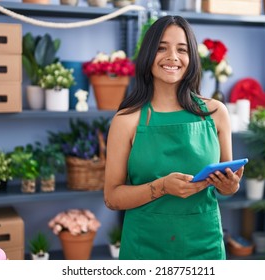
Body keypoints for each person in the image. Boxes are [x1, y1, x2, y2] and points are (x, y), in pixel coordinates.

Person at [104, 15, 243, 260]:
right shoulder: (126, 120)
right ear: (148, 55)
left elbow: (227, 185)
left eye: (182, 49)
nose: (172, 57)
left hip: (205, 247)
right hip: (144, 249)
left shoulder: (216, 113)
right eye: (161, 48)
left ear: (191, 59)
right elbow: (112, 197)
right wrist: (162, 187)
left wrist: (230, 186)